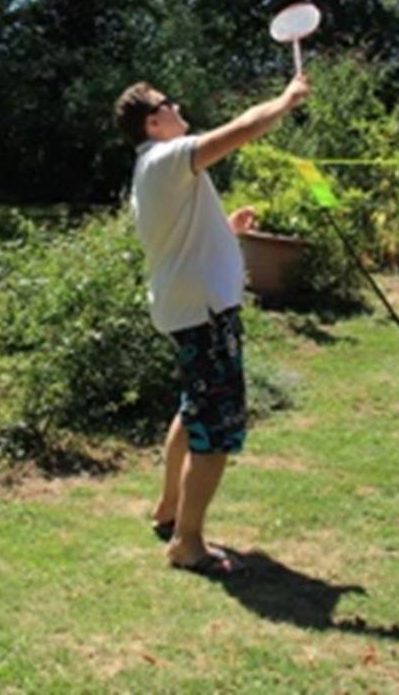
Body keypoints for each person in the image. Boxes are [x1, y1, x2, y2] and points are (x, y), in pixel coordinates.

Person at [113, 74, 310, 577]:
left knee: (193, 405)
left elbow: (177, 241)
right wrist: (285, 101)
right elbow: (240, 130)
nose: (178, 106)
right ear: (153, 122)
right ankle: (187, 542)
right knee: (216, 430)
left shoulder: (152, 170)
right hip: (204, 313)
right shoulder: (166, 156)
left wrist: (226, 232)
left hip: (190, 308)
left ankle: (168, 509)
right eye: (167, 103)